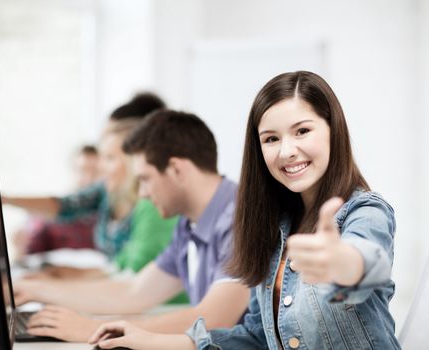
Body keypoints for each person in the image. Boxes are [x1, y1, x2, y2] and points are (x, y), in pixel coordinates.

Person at [87, 71, 401, 350]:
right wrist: (150, 341)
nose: (287, 151)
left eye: (303, 131)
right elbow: (255, 336)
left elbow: (370, 260)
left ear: (334, 130)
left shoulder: (365, 210)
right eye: (271, 139)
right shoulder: (273, 225)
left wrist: (343, 262)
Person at [13, 110, 250, 342]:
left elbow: (215, 319)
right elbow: (135, 292)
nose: (143, 194)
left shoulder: (240, 220)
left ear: (177, 169)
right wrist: (35, 289)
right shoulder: (189, 224)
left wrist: (98, 329)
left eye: (145, 179)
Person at [3, 93, 172, 274]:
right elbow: (120, 267)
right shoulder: (108, 191)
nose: (99, 168)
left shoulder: (151, 205)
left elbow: (135, 273)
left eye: (109, 158)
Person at [12, 144, 101, 259]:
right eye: (83, 170)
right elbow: (27, 256)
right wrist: (19, 246)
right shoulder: (49, 214)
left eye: (96, 172)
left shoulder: (109, 215)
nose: (89, 178)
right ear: (73, 171)